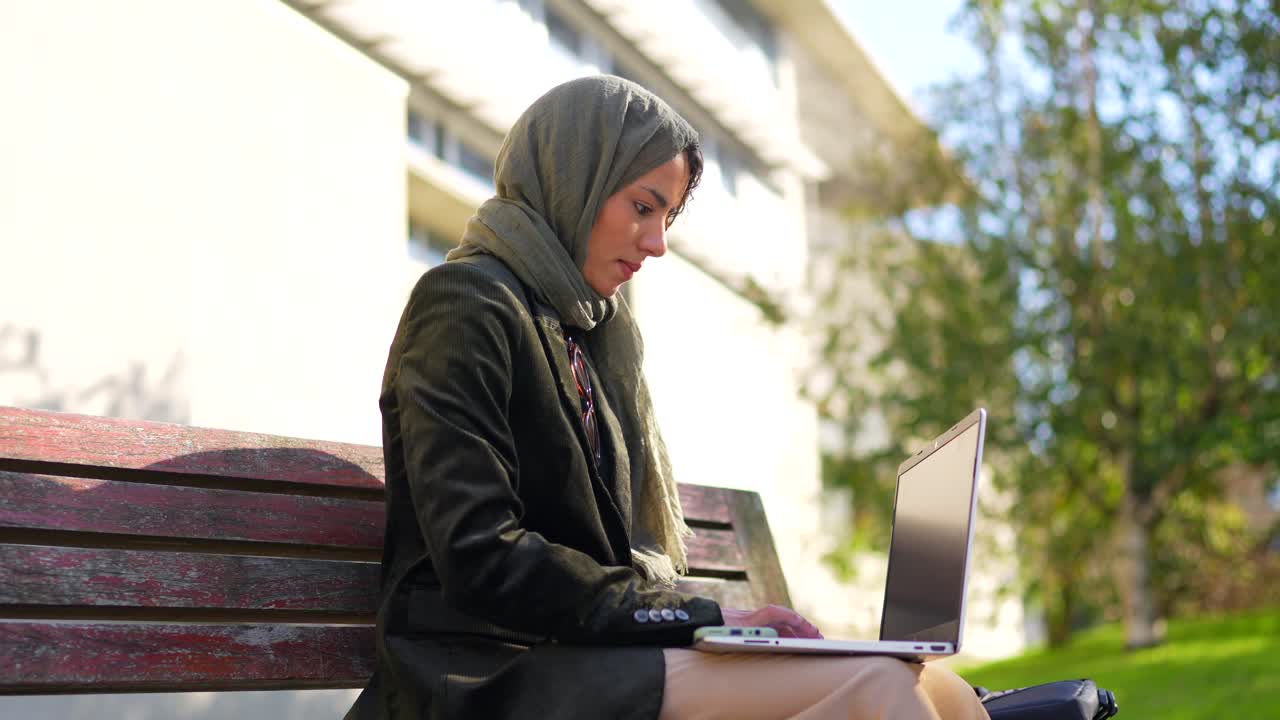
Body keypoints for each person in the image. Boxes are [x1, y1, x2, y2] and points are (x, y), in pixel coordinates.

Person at [346, 75, 988, 720]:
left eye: (667, 217)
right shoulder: (467, 302)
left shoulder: (590, 335)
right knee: (878, 687)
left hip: (582, 656)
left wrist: (720, 626)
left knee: (937, 686)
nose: (657, 243)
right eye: (642, 207)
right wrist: (703, 615)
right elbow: (479, 554)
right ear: (576, 179)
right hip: (486, 674)